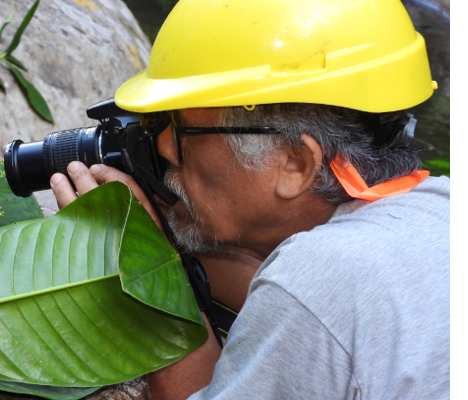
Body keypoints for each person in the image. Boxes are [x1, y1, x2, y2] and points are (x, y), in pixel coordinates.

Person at [49, 0, 450, 398]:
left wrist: (140, 274)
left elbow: (310, 298)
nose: (165, 148)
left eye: (182, 129)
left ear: (295, 163)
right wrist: (162, 248)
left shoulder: (317, 280)